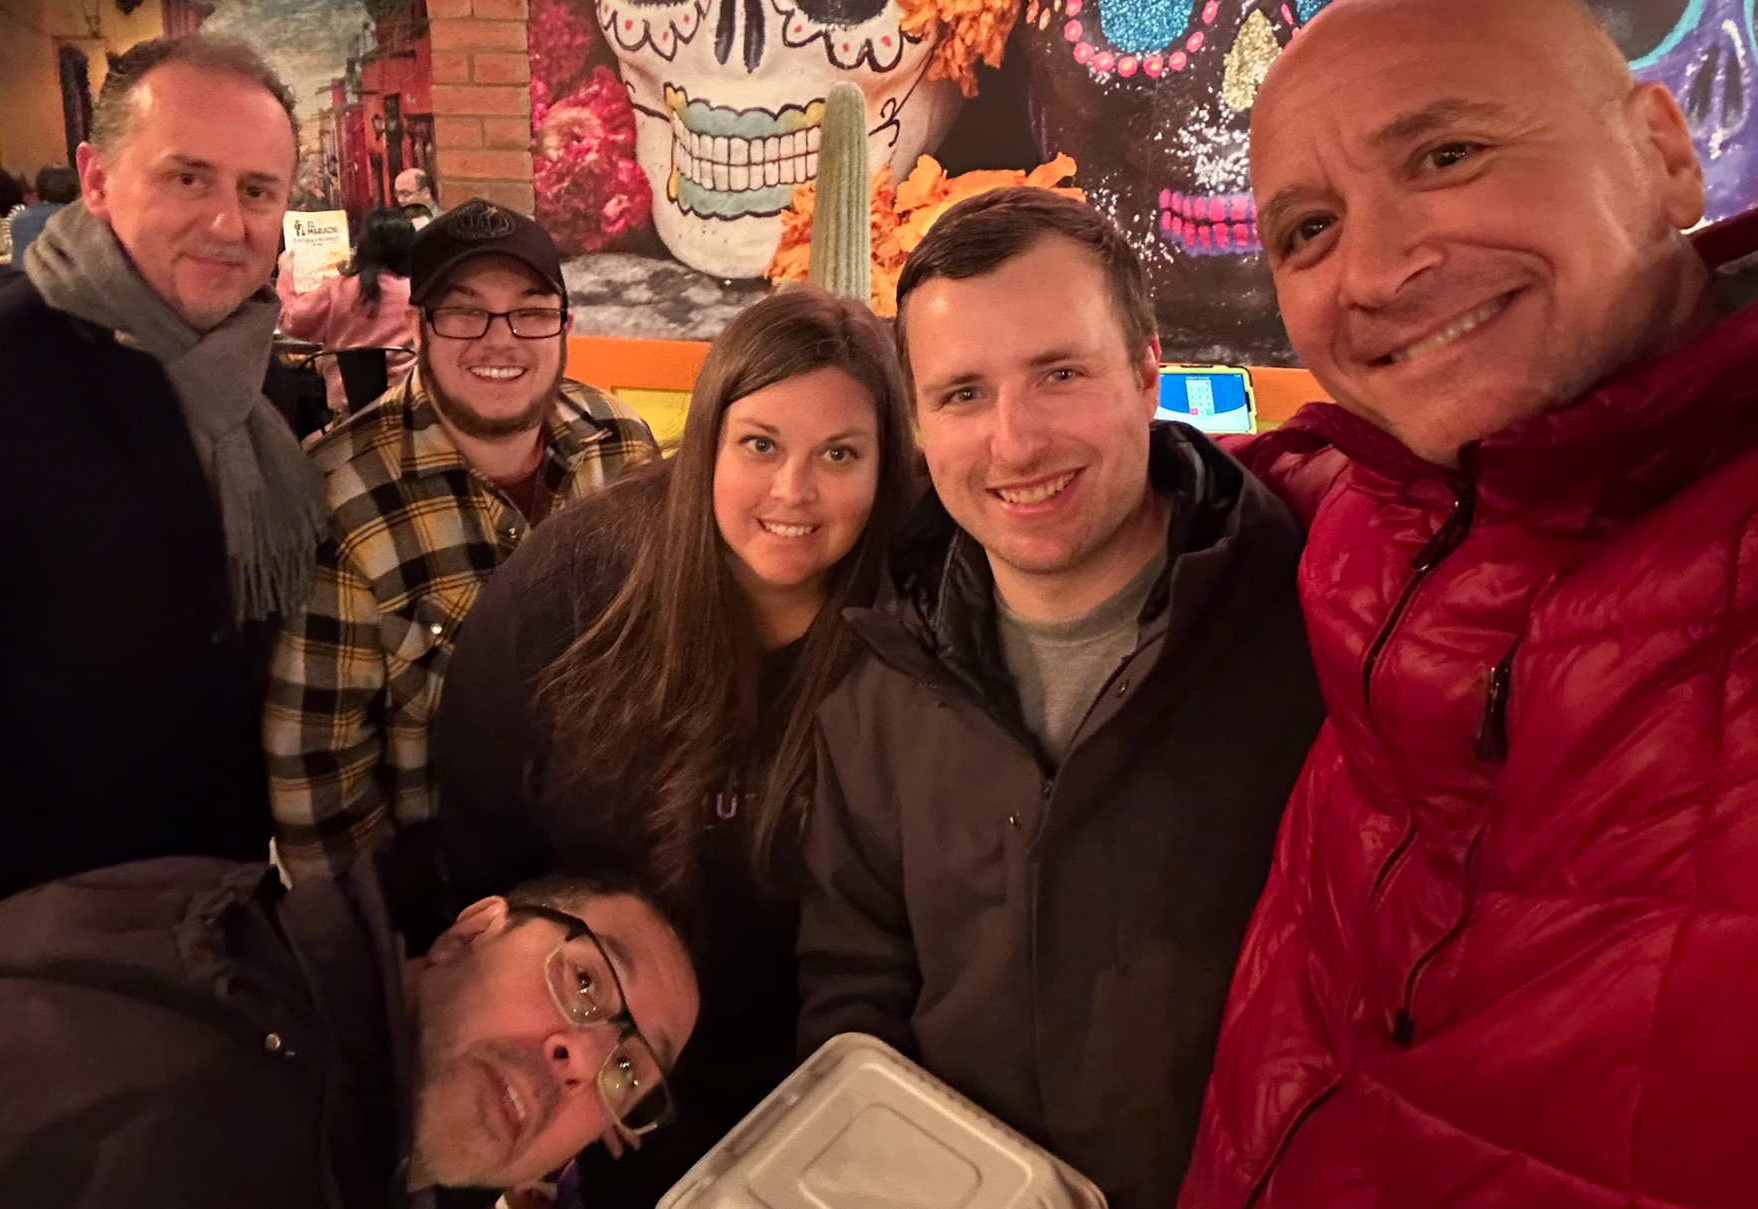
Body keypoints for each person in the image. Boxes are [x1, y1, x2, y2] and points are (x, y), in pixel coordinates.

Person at [1179, 0, 1758, 1209]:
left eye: (1447, 152)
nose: (1378, 270)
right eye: (1308, 230)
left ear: (1661, 155)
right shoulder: (1376, 508)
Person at [797, 188, 1324, 1209]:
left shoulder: (1308, 629)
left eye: (1059, 374)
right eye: (962, 395)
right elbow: (854, 987)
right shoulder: (879, 681)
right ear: (920, 422)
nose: (1015, 442)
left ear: (1146, 374)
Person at [0, 33, 325, 990]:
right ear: (97, 180)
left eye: (259, 190)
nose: (229, 221)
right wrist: (21, 839)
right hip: (23, 934)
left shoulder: (246, 379)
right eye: (189, 177)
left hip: (213, 902)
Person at [432, 285, 918, 1205]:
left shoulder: (921, 614)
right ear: (707, 444)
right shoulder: (573, 594)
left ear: (889, 467)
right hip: (601, 1077)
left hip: (826, 1081)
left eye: (840, 454)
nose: (794, 492)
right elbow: (481, 838)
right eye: (761, 444)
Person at [0, 855, 700, 1207]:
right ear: (473, 928)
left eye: (630, 1072)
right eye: (585, 980)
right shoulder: (204, 1136)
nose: (584, 1055)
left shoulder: (257, 994)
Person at [264, 199, 657, 887]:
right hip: (449, 910)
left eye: (530, 312)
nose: (499, 340)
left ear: (564, 325)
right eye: (464, 311)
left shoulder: (621, 445)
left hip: (618, 867)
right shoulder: (339, 498)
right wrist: (392, 960)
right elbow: (321, 785)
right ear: (418, 326)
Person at [275, 204, 418, 414]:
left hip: (347, 413)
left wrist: (286, 274)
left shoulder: (337, 288)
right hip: (406, 408)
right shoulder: (417, 291)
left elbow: (291, 321)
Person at [7, 164, 81, 266]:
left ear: (38, 191)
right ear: (77, 191)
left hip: (17, 279)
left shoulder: (19, 221)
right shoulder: (78, 220)